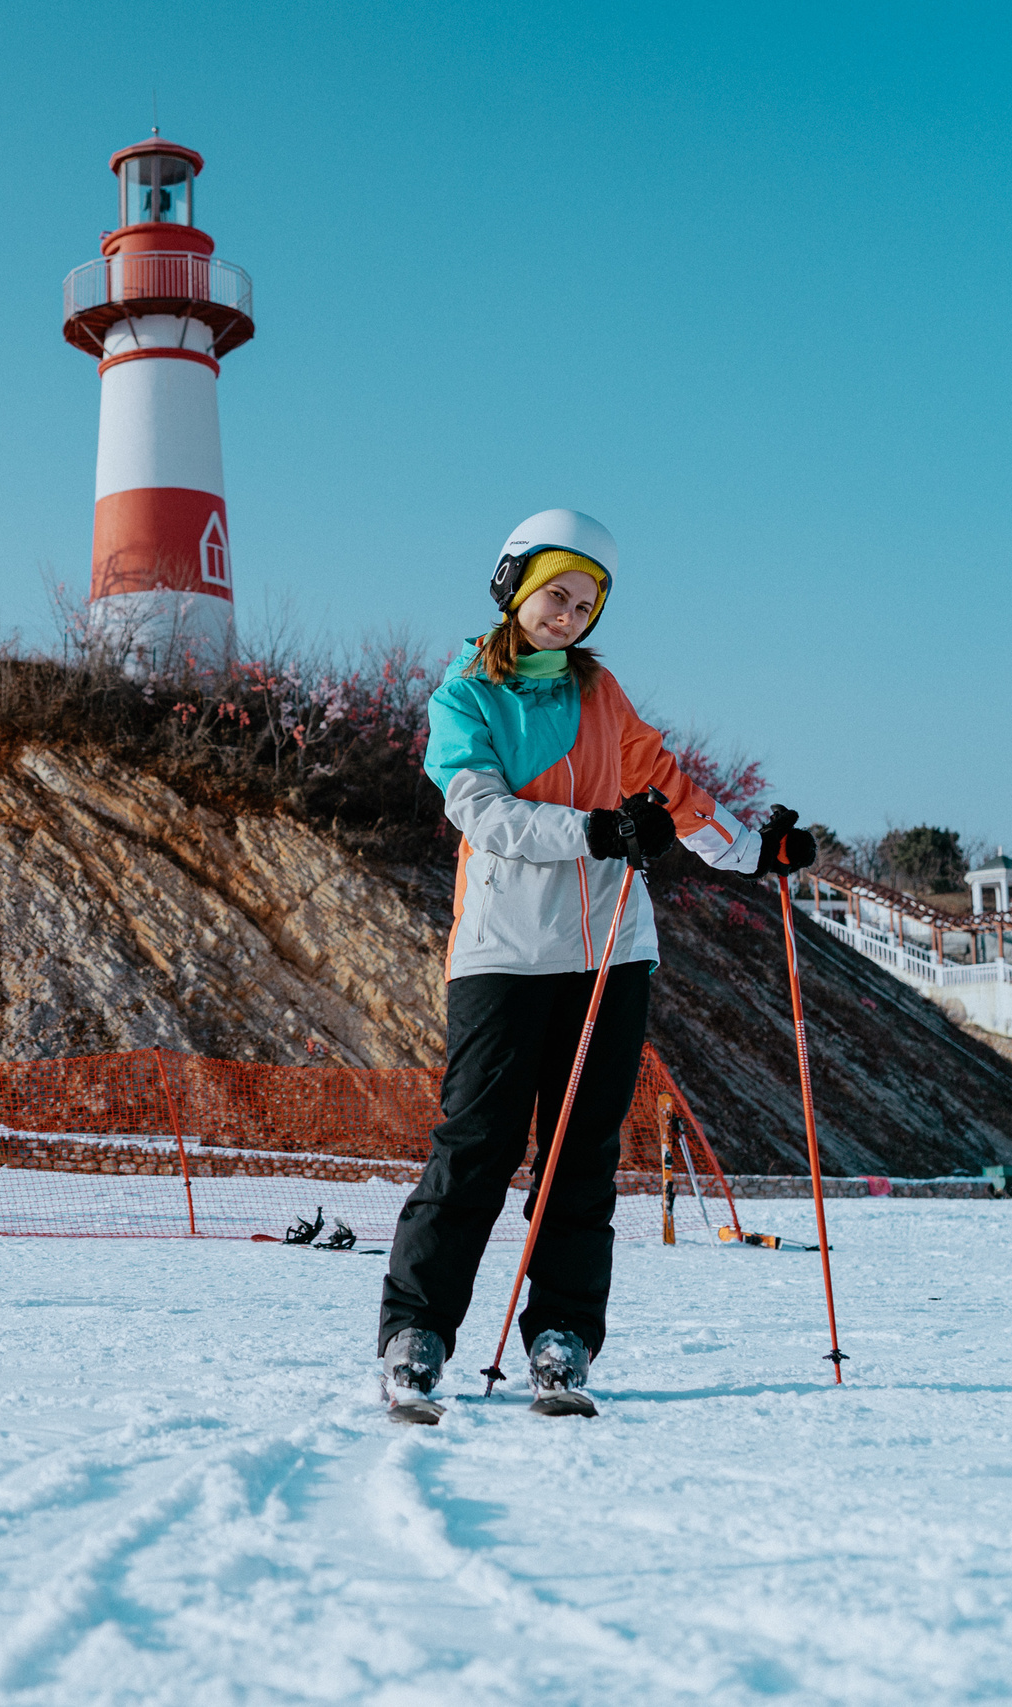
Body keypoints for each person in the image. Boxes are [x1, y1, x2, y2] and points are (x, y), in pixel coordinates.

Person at [377, 508, 815, 1422]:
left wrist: (755, 849)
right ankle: (417, 1330)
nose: (568, 616)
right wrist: (596, 829)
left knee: (583, 1153)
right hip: (501, 954)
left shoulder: (601, 698)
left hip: (611, 953)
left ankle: (562, 1333)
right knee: (477, 1145)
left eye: (585, 604)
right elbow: (483, 812)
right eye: (555, 596)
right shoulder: (464, 696)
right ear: (513, 590)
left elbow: (675, 791)